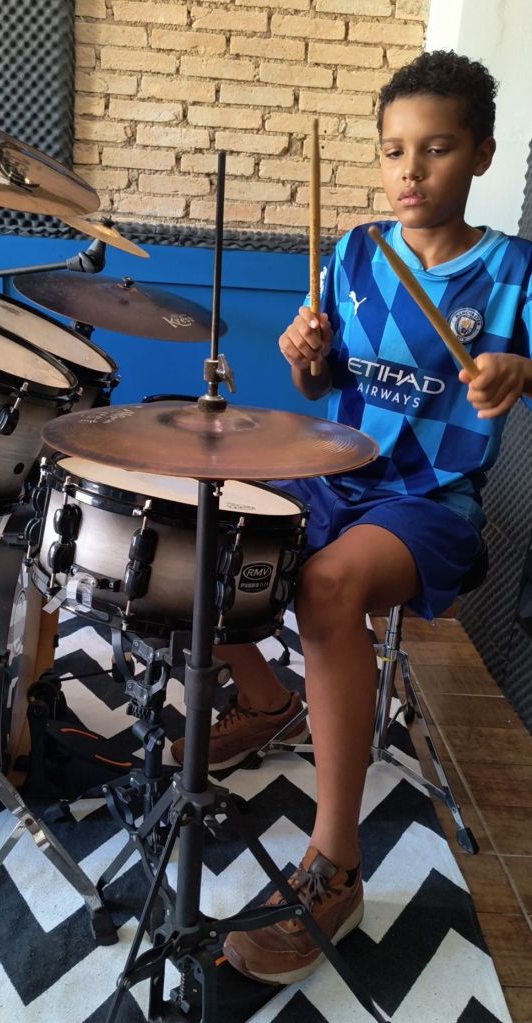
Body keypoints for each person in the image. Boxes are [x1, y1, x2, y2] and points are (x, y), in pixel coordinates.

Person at [171, 49, 532, 986]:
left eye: (435, 149)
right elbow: (315, 385)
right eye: (392, 150)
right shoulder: (355, 254)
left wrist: (521, 370)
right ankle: (265, 701)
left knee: (327, 588)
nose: (409, 171)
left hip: (429, 501)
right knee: (199, 533)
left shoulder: (513, 272)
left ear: (481, 155)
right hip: (332, 475)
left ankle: (334, 866)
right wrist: (304, 355)